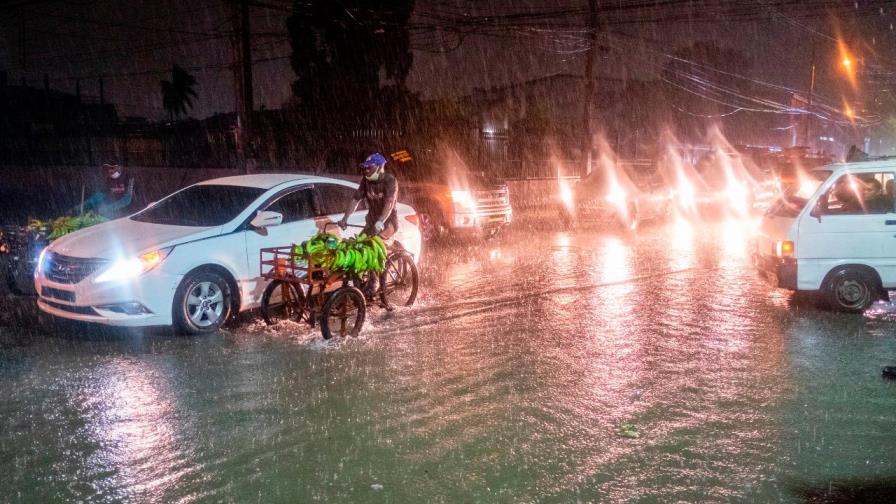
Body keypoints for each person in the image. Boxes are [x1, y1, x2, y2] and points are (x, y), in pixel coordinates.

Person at [337, 152, 399, 239]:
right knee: (359, 244)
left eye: (369, 167)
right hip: (371, 221)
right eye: (364, 168)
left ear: (380, 167)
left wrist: (380, 222)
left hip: (388, 222)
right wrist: (345, 219)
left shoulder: (389, 180)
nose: (366, 170)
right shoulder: (366, 181)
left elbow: (389, 202)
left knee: (374, 245)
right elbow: (355, 200)